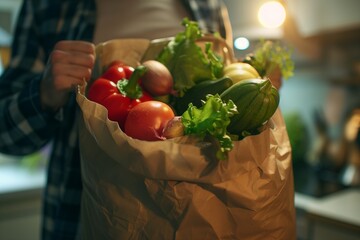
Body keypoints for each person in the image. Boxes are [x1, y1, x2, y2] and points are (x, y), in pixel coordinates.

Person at [0, 0, 233, 239]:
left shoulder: (208, 5)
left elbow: (225, 96)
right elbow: (6, 135)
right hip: (84, 214)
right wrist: (45, 93)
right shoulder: (47, 6)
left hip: (194, 216)